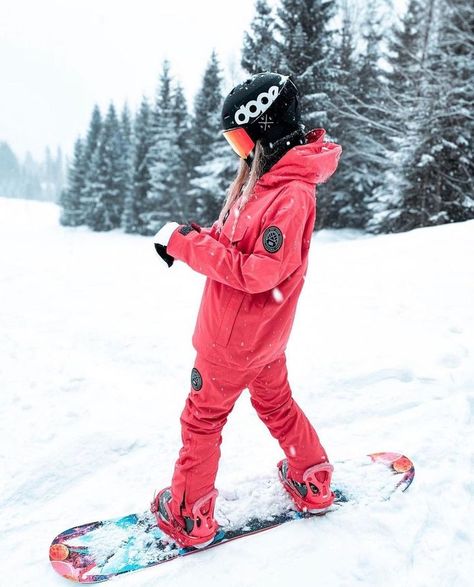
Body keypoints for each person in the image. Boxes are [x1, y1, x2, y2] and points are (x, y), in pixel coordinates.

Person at [150, 72, 342, 549]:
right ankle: (311, 477)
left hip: (230, 343)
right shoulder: (270, 183)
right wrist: (193, 239)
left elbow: (259, 272)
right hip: (262, 341)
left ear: (267, 129)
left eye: (242, 139)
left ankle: (189, 515)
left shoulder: (290, 193)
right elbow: (236, 242)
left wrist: (191, 250)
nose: (240, 151)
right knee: (275, 404)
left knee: (202, 419)